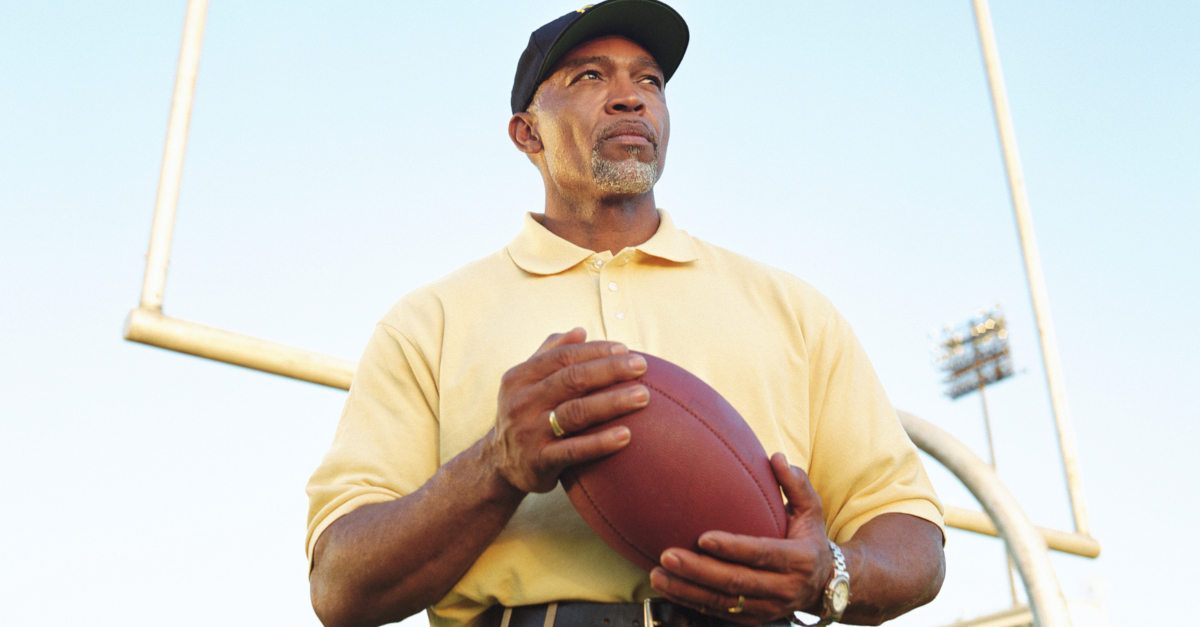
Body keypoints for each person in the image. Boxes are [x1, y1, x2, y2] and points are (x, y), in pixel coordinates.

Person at [306, 2, 946, 627]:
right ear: (526, 132)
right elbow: (340, 587)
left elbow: (909, 532)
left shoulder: (792, 309)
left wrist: (829, 575)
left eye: (650, 80)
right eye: (589, 75)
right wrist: (495, 465)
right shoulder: (430, 322)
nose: (630, 96)